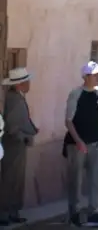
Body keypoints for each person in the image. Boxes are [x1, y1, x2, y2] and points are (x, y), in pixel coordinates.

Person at [64, 61, 98, 228]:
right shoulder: (76, 94)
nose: (97, 77)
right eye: (94, 74)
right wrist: (78, 141)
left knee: (97, 179)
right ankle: (75, 213)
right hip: (77, 142)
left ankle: (95, 212)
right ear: (85, 77)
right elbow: (69, 121)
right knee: (76, 179)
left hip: (97, 141)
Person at [0, 68, 38, 227]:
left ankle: (13, 212)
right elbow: (12, 127)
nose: (29, 84)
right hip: (13, 145)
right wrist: (25, 137)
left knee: (17, 181)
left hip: (18, 145)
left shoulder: (17, 97)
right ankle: (4, 213)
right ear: (20, 84)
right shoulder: (14, 100)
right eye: (27, 81)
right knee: (9, 180)